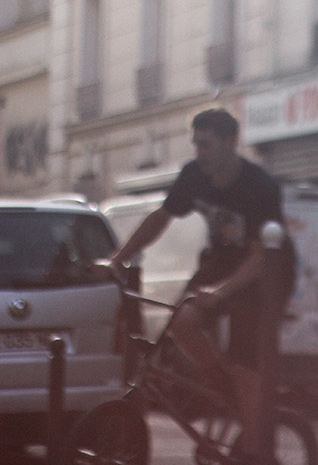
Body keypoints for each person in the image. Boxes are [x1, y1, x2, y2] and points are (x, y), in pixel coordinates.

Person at [108, 108, 294, 464]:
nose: (199, 153)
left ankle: (254, 451)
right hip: (220, 261)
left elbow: (259, 258)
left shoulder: (260, 187)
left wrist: (221, 293)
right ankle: (220, 383)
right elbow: (161, 218)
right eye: (196, 145)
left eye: (206, 145)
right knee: (181, 321)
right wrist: (120, 257)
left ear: (231, 142)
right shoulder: (194, 175)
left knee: (246, 365)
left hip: (266, 273)